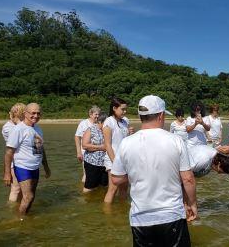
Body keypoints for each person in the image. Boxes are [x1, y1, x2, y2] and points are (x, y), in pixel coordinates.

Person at [111, 95, 197, 247]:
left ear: (140, 116)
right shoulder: (176, 140)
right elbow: (188, 179)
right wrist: (192, 204)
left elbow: (116, 179)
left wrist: (136, 176)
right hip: (172, 216)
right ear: (161, 115)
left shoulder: (126, 143)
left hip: (140, 218)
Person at [3, 103, 51, 216]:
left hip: (35, 167)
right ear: (25, 114)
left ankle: (24, 216)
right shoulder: (18, 129)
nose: (36, 115)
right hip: (22, 167)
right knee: (28, 196)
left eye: (38, 113)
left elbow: (40, 149)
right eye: (33, 113)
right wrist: (7, 173)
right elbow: (9, 152)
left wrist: (46, 167)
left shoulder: (38, 129)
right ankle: (19, 220)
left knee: (31, 196)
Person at [103, 98, 134, 203]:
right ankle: (107, 214)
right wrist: (115, 161)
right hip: (113, 159)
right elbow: (107, 144)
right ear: (114, 108)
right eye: (123, 109)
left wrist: (130, 133)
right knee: (113, 188)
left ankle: (121, 210)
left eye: (126, 109)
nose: (125, 112)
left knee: (125, 187)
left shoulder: (125, 121)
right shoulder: (109, 122)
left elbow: (126, 140)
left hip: (124, 158)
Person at [2, 103, 26, 202]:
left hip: (23, 161)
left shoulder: (19, 125)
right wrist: (7, 173)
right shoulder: (8, 127)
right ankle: (11, 211)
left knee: (21, 189)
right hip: (14, 162)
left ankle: (18, 207)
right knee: (15, 189)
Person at [82, 113, 108, 193]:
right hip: (92, 163)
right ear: (100, 122)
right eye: (106, 123)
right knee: (89, 187)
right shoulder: (91, 129)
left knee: (104, 186)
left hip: (105, 164)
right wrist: (101, 147)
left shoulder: (108, 130)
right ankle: (85, 202)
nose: (107, 125)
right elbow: (84, 145)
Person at [75, 106, 101, 183]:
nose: (97, 116)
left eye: (99, 114)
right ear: (90, 114)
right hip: (85, 153)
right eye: (96, 114)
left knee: (98, 174)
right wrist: (79, 152)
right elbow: (77, 137)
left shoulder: (100, 123)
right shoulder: (83, 123)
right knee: (86, 174)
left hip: (98, 153)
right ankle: (84, 190)